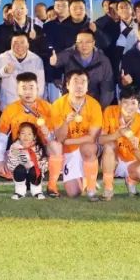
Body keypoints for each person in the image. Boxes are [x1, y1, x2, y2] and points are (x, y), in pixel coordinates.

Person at [48, 70, 104, 200]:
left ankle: (91, 189)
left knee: (88, 147)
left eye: (83, 82)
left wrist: (68, 142)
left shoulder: (94, 105)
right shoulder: (57, 105)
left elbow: (92, 137)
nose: (79, 86)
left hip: (87, 148)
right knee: (73, 193)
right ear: (67, 85)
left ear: (87, 86)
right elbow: (59, 138)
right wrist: (66, 123)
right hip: (68, 151)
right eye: (75, 82)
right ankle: (83, 179)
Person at [0, 72, 54, 179]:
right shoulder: (10, 110)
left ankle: (34, 170)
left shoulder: (48, 108)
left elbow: (53, 140)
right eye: (23, 88)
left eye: (31, 88)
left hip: (40, 150)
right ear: (18, 90)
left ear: (37, 89)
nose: (28, 92)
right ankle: (26, 171)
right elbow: (2, 138)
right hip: (18, 149)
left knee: (54, 154)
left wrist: (47, 134)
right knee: (6, 166)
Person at [97, 85, 140, 199]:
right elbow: (100, 140)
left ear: (138, 105)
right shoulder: (110, 111)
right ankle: (108, 188)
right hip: (112, 160)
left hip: (131, 162)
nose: (129, 107)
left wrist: (136, 147)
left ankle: (131, 182)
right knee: (109, 145)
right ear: (119, 102)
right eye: (125, 102)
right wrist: (117, 134)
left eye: (133, 103)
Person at [49, 30, 114, 106]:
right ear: (76, 43)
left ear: (93, 43)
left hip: (94, 101)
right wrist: (54, 62)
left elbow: (107, 87)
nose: (84, 45)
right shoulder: (69, 54)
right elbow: (60, 58)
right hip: (71, 100)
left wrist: (101, 107)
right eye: (80, 42)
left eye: (88, 42)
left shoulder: (103, 61)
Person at [0, 31, 46, 108]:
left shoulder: (37, 60)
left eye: (22, 42)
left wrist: (35, 103)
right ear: (11, 45)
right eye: (15, 43)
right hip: (9, 104)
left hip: (30, 106)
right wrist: (6, 70)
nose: (19, 46)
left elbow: (40, 85)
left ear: (28, 45)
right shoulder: (3, 57)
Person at [6, 121, 47, 199]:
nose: (26, 136)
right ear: (19, 135)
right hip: (21, 175)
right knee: (19, 169)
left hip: (34, 175)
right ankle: (19, 191)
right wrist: (25, 164)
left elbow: (43, 163)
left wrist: (36, 168)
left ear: (34, 137)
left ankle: (37, 191)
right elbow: (13, 163)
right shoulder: (15, 147)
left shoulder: (37, 148)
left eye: (29, 134)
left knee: (35, 170)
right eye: (23, 133)